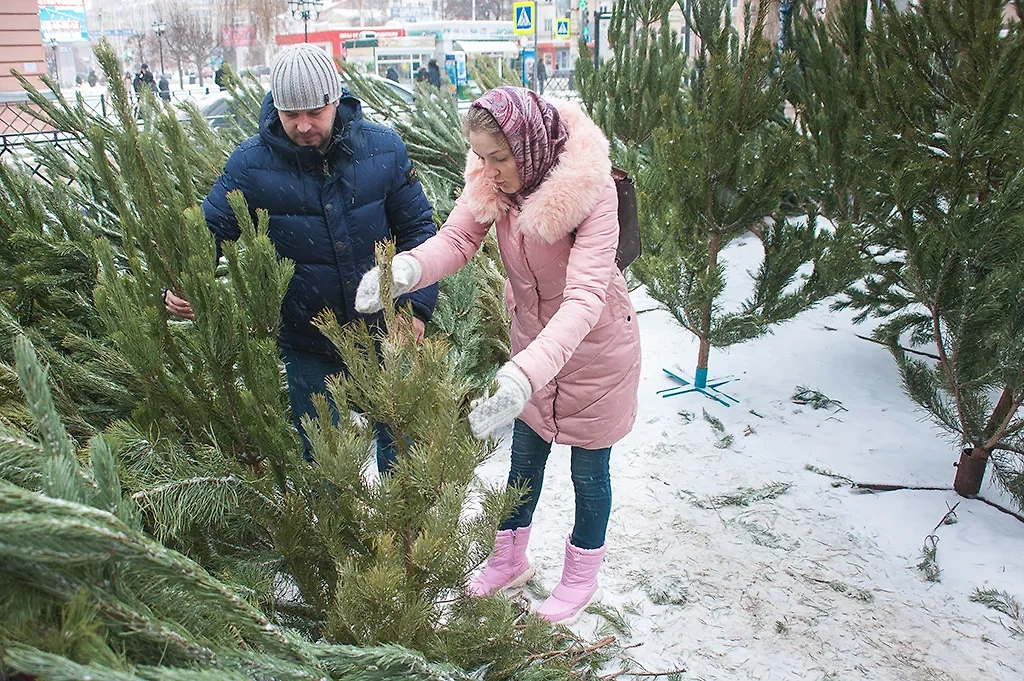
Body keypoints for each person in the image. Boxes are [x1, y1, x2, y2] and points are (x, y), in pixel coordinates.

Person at [354, 86, 641, 625]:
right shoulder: (493, 183)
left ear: (529, 147)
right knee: (524, 463)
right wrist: (407, 271)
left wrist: (522, 375)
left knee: (588, 473)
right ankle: (509, 560)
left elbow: (583, 299)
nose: (490, 171)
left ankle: (579, 578)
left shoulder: (591, 192)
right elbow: (458, 239)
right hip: (533, 344)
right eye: (481, 158)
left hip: (597, 351)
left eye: (500, 158)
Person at [164, 44, 438, 472]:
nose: (303, 125)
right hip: (308, 339)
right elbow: (208, 230)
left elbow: (420, 229)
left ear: (335, 99)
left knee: (401, 456)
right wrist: (183, 281)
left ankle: (400, 540)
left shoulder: (383, 150)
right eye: (291, 114)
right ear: (277, 107)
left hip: (389, 330)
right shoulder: (251, 165)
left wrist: (417, 308)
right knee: (323, 465)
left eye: (315, 112)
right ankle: (337, 536)